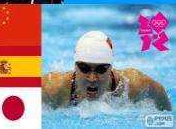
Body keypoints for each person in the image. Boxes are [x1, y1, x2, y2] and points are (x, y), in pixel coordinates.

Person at [42, 31, 172, 111]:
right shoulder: (52, 88)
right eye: (85, 68)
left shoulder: (133, 85)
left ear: (110, 68)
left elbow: (160, 95)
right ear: (75, 66)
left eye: (101, 69)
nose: (92, 78)